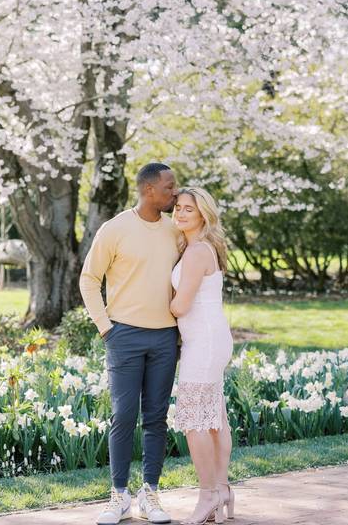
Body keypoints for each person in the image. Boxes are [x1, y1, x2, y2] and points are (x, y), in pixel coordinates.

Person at [79, 162, 181, 525]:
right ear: (148, 190)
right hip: (123, 335)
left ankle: (149, 494)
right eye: (170, 187)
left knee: (156, 418)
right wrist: (107, 329)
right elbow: (89, 279)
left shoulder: (175, 230)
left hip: (166, 337)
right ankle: (118, 495)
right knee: (123, 416)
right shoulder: (115, 228)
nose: (175, 193)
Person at [170, 187, 235, 525]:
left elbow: (181, 305)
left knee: (195, 421)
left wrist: (162, 304)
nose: (180, 214)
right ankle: (222, 490)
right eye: (178, 208)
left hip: (205, 343)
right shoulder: (202, 247)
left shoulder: (197, 252)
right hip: (210, 339)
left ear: (203, 215)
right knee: (214, 420)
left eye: (188, 210)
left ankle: (208, 494)